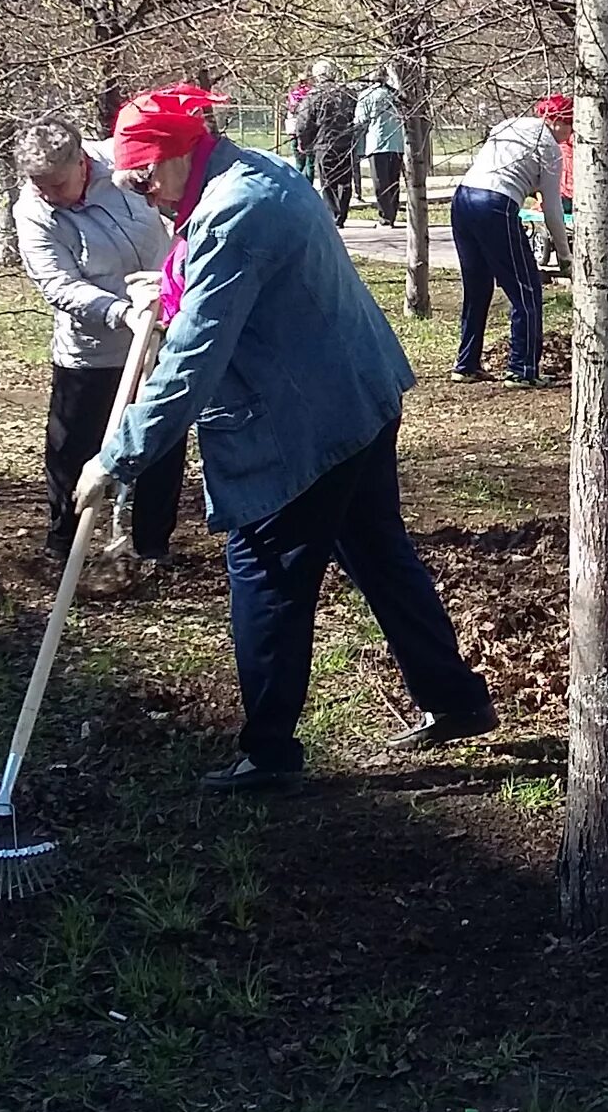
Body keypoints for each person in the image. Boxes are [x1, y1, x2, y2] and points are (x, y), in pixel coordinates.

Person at [77, 84, 497, 790]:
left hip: (304, 424)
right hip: (355, 394)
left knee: (265, 573)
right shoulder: (250, 172)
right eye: (129, 179)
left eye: (144, 174)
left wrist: (118, 458)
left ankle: (268, 753)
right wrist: (172, 286)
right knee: (379, 555)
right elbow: (230, 286)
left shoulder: (233, 209)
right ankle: (456, 700)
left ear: (180, 151)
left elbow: (193, 363)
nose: (141, 190)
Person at [12, 116, 182, 574]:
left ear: (82, 161)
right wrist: (122, 312)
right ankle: (64, 546)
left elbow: (175, 197)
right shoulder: (33, 211)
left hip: (163, 333)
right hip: (91, 349)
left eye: (56, 182)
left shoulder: (123, 163)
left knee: (160, 437)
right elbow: (58, 283)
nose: (48, 193)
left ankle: (150, 549)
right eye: (38, 183)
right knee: (74, 448)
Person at [450, 94, 574, 385]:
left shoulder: (509, 125)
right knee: (526, 289)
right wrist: (566, 256)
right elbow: (552, 210)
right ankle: (523, 369)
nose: (571, 133)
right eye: (570, 125)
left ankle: (466, 364)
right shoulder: (549, 148)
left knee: (477, 288)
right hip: (496, 206)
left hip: (463, 199)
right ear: (556, 122)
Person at [302, 62, 362, 226]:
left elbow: (304, 122)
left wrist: (305, 142)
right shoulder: (348, 94)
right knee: (344, 180)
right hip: (346, 141)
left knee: (328, 181)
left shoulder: (314, 95)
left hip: (324, 143)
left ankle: (333, 215)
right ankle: (341, 214)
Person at [354, 74, 408, 229]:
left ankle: (385, 217)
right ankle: (392, 214)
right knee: (393, 181)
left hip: (377, 143)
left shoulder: (367, 95)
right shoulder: (396, 95)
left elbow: (360, 120)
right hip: (397, 143)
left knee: (380, 181)